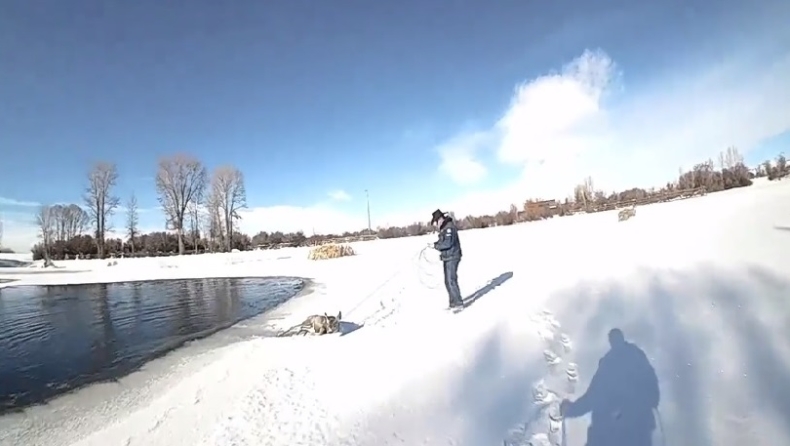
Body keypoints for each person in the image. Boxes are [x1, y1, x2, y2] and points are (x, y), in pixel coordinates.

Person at [430, 209, 464, 310]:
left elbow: (447, 243)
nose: (435, 225)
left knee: (451, 280)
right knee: (447, 281)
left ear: (440, 219)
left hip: (453, 256)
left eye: (435, 223)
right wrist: (436, 244)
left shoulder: (449, 227)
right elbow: (443, 241)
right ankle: (453, 303)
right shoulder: (444, 228)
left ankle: (458, 303)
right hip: (447, 257)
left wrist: (436, 246)